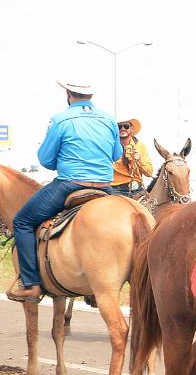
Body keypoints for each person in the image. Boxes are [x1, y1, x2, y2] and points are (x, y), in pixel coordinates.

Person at [8, 80, 123, 302]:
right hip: (105, 188)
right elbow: (116, 154)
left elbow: (46, 159)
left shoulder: (60, 120)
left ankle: (31, 284)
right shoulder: (109, 120)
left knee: (22, 221)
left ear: (68, 94)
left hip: (70, 185)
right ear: (91, 95)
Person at [109, 118, 154, 194]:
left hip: (136, 188)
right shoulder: (110, 146)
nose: (122, 129)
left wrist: (139, 160)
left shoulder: (140, 146)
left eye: (126, 126)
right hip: (115, 188)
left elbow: (149, 173)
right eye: (119, 127)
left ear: (131, 129)